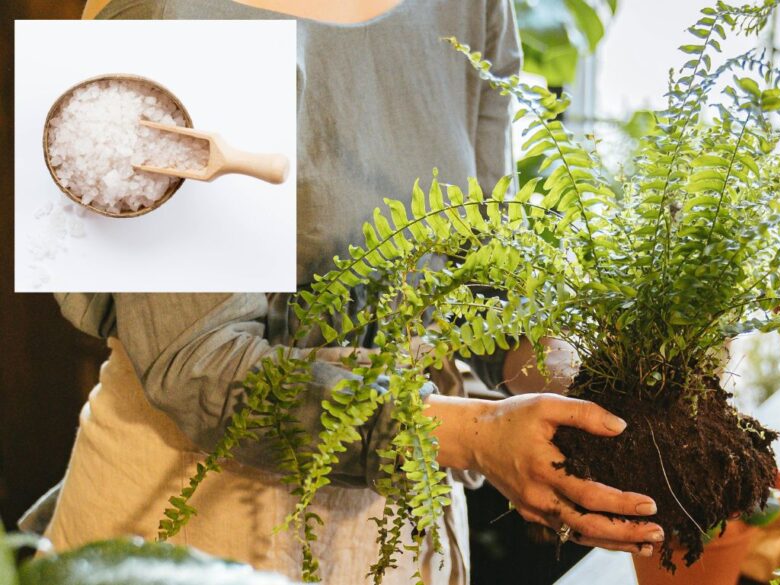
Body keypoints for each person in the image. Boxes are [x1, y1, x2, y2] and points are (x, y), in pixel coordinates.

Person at [19, 1, 708, 583]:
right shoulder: (170, 15)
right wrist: (474, 436)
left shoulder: (470, 8)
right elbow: (203, 366)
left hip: (401, 537)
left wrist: (590, 395)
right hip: (194, 529)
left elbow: (478, 273)